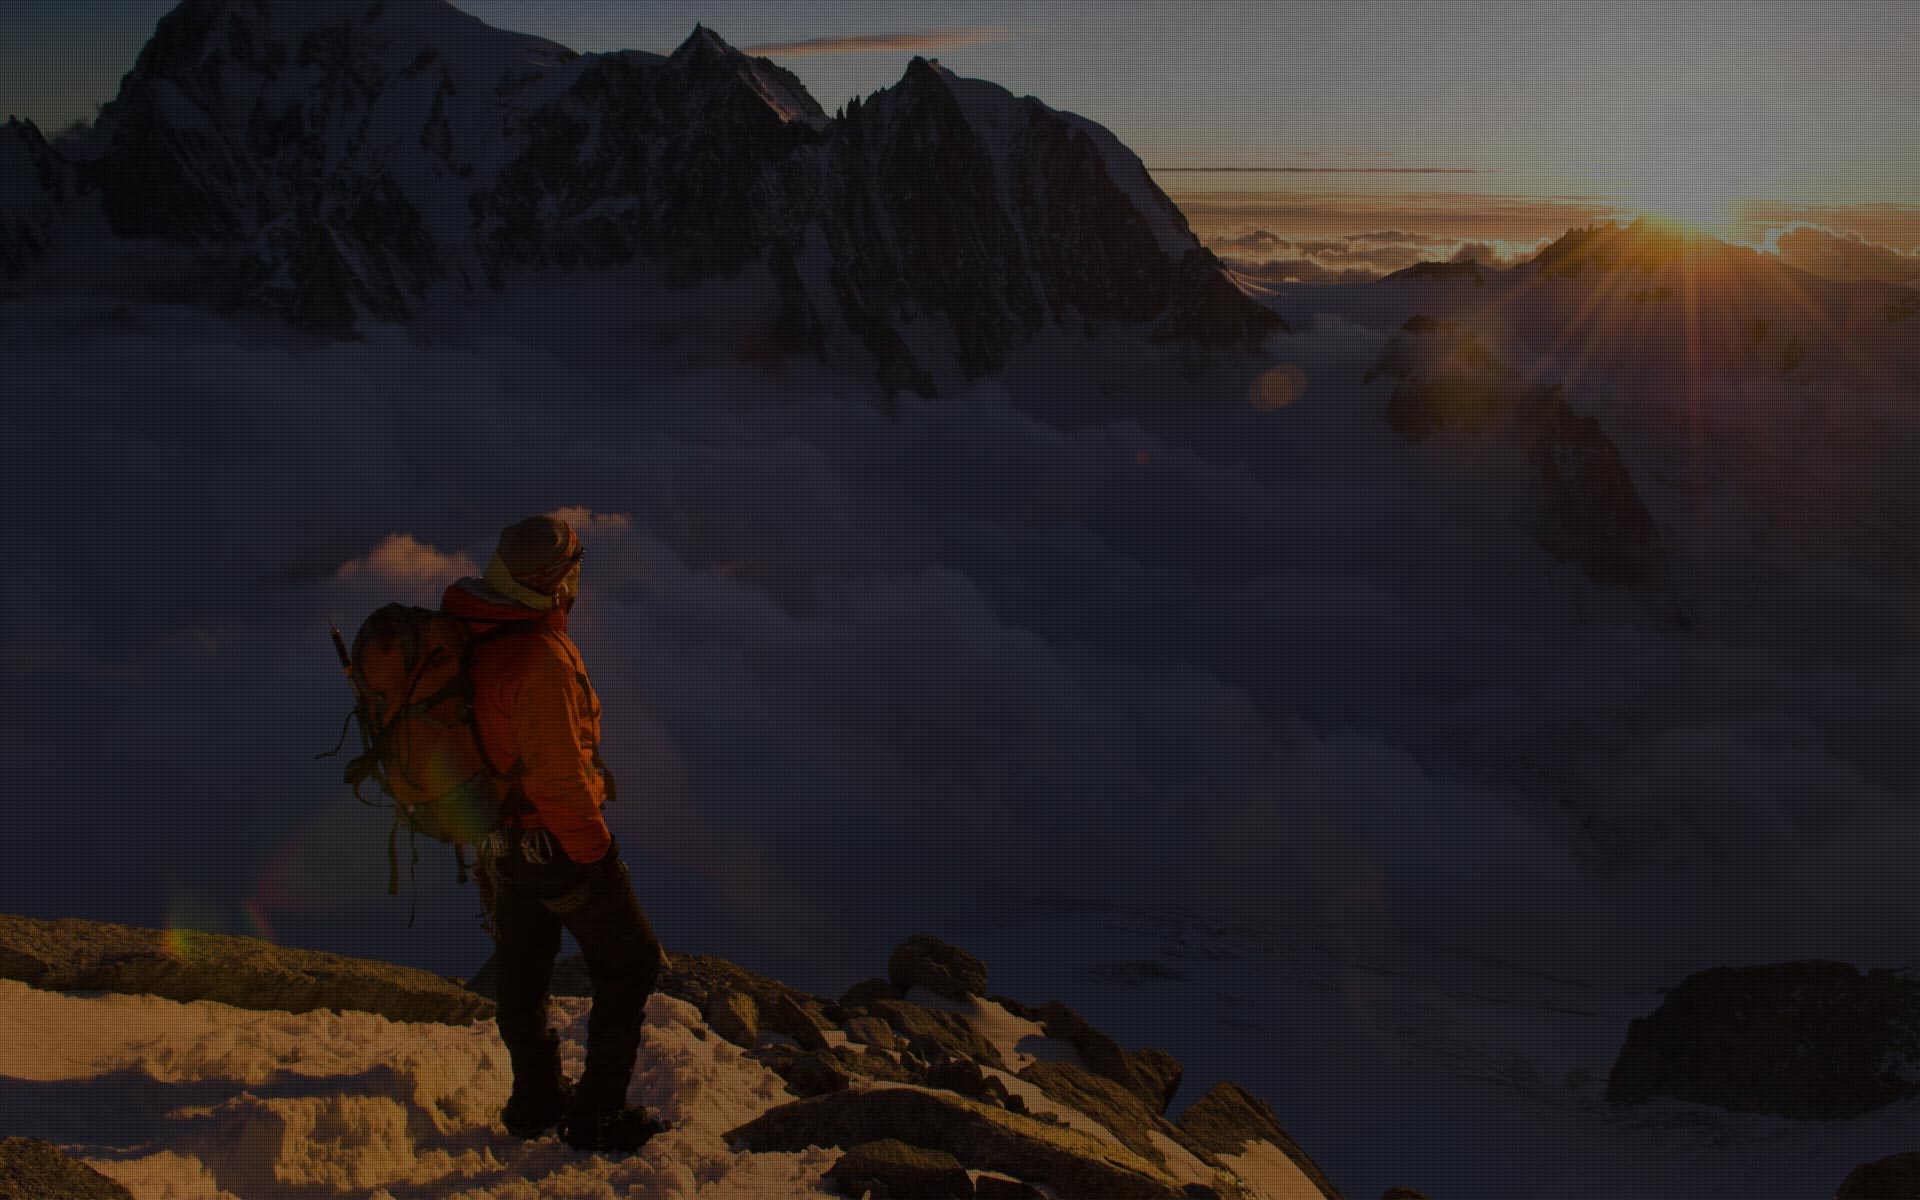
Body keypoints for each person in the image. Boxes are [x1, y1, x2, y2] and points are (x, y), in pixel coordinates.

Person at [441, 514, 668, 1153]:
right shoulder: (538, 658)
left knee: (523, 970)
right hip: (553, 841)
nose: (577, 581)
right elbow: (560, 785)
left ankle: (535, 1100)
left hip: (502, 841)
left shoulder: (476, 628)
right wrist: (602, 858)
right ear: (551, 580)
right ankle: (597, 1116)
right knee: (632, 962)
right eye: (572, 570)